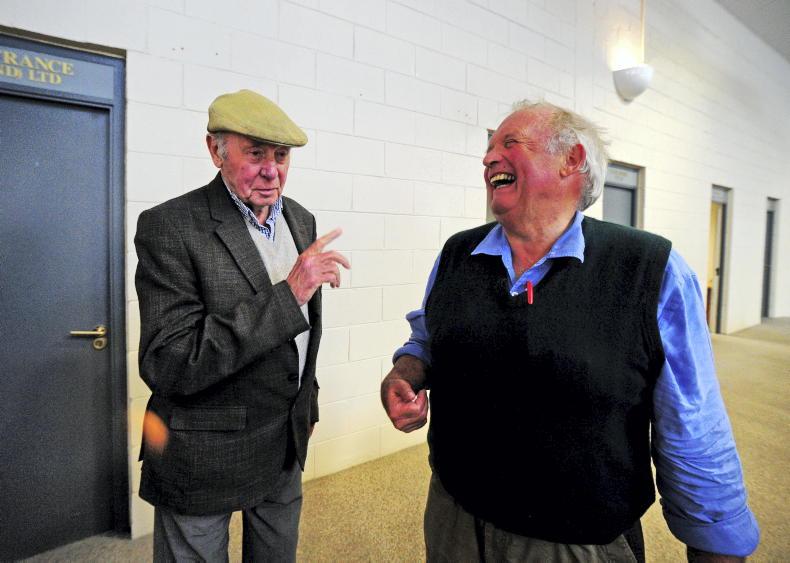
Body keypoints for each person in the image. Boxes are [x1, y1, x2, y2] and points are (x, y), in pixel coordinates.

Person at [381, 100, 759, 562]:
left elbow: (693, 424)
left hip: (577, 541)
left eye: (509, 143)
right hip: (454, 518)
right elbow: (427, 338)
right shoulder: (457, 254)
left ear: (572, 160)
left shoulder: (649, 270)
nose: (488, 157)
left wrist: (715, 542)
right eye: (490, 147)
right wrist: (405, 372)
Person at [134, 89, 349, 562]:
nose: (272, 171)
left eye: (281, 155)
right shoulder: (170, 226)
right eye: (255, 154)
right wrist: (288, 294)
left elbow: (303, 336)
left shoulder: (301, 219)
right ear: (216, 151)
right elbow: (169, 361)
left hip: (283, 441)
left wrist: (306, 403)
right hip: (202, 448)